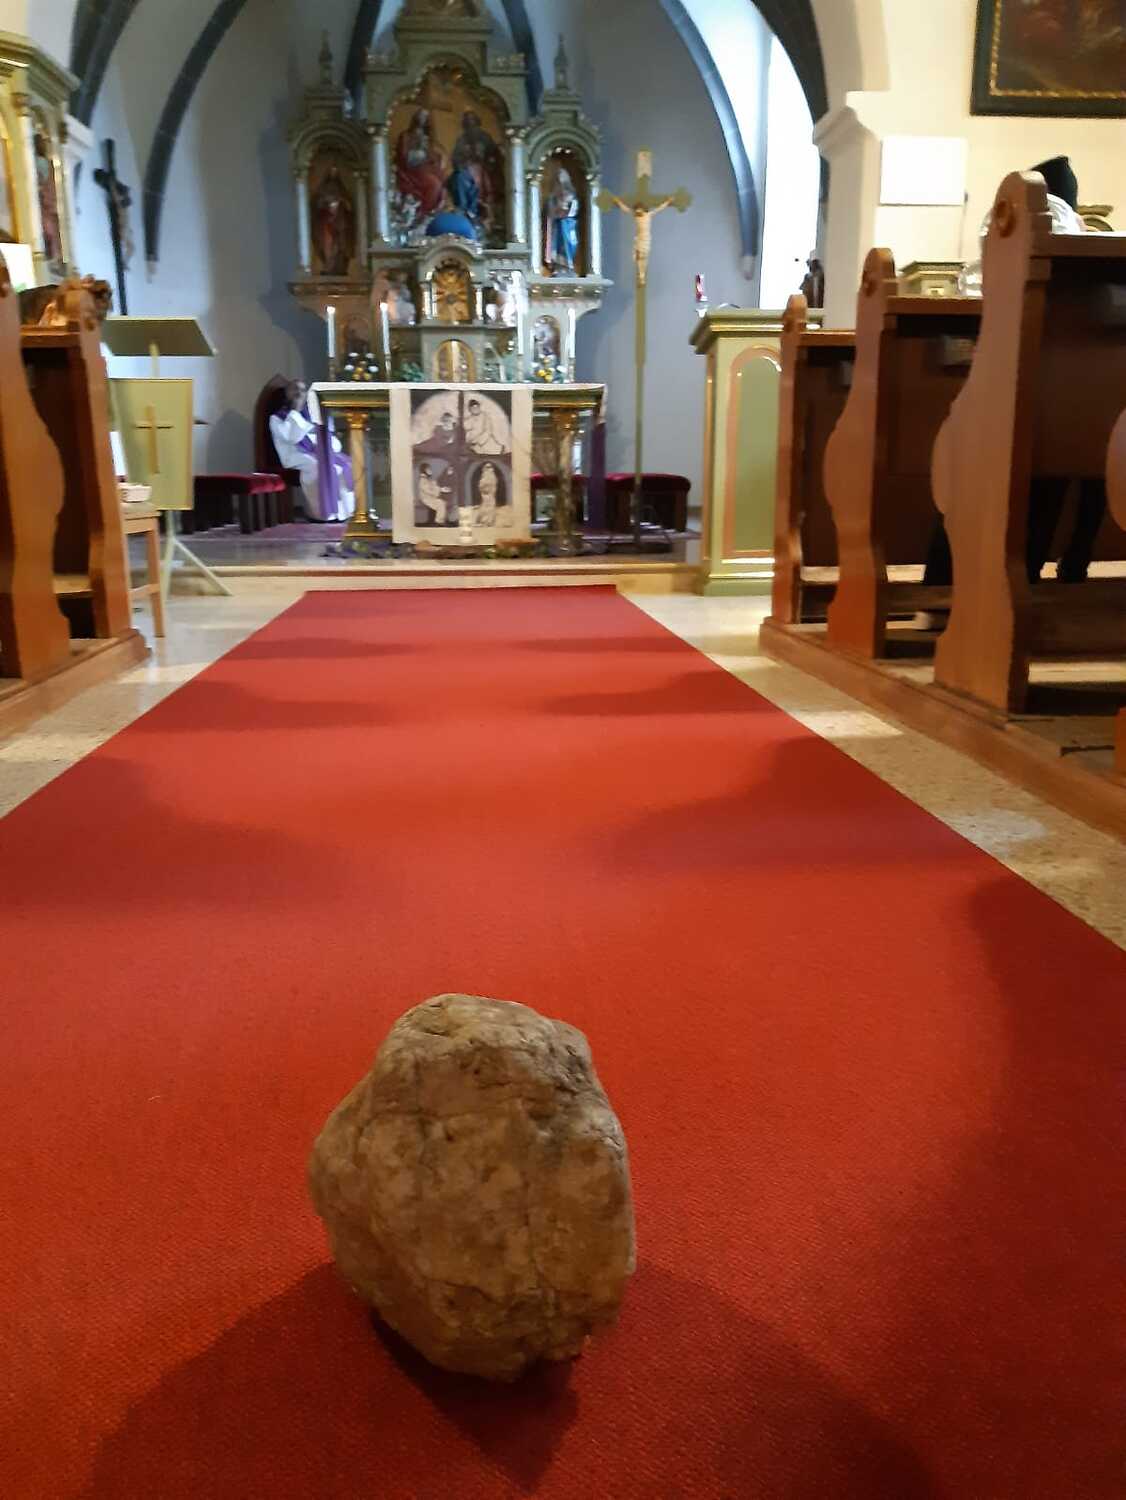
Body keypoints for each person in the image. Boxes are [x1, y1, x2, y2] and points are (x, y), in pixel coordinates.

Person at [927, 154, 1105, 588]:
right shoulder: (1095, 278)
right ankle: (1040, 570)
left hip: (1021, 405)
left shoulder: (1009, 254)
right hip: (1070, 410)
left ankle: (951, 581)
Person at [269, 380, 355, 522]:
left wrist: (327, 448)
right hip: (294, 455)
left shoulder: (313, 414)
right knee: (319, 467)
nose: (298, 393)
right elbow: (292, 437)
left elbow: (332, 439)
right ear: (286, 393)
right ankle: (320, 514)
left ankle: (343, 512)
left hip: (317, 453)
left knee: (345, 465)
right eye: (294, 389)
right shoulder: (277, 418)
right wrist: (294, 412)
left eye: (302, 390)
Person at [395, 110, 447, 221]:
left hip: (427, 167)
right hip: (412, 170)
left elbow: (434, 152)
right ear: (415, 118)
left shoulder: (428, 137)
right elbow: (403, 156)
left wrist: (438, 157)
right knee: (434, 184)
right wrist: (420, 154)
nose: (422, 119)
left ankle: (432, 211)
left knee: (441, 179)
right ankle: (423, 213)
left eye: (425, 117)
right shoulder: (406, 135)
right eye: (421, 116)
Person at [311, 166, 355, 277]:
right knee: (328, 244)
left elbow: (349, 208)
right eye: (331, 173)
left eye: (335, 173)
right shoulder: (322, 191)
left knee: (340, 245)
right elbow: (317, 206)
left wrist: (342, 203)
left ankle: (339, 266)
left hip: (340, 224)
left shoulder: (343, 191)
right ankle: (328, 266)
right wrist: (325, 204)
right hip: (326, 224)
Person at [544, 167, 580, 275]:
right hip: (557, 226)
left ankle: (568, 265)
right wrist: (556, 212)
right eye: (557, 182)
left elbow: (574, 210)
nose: (559, 184)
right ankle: (557, 266)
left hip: (568, 225)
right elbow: (550, 212)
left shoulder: (571, 196)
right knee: (556, 245)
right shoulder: (553, 198)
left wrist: (565, 213)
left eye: (561, 181)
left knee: (568, 244)